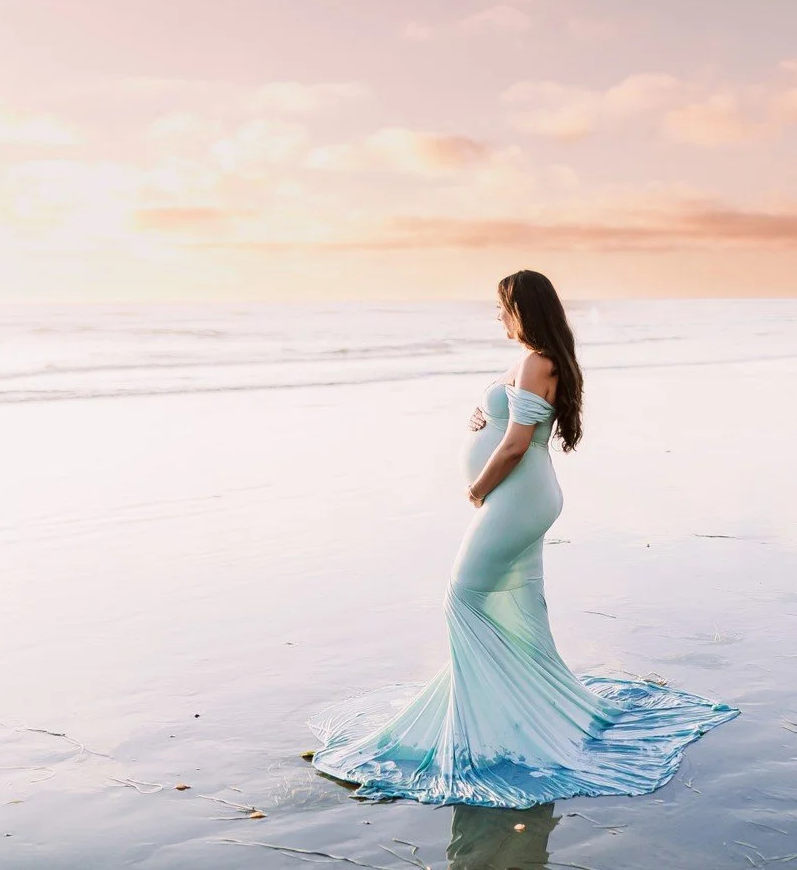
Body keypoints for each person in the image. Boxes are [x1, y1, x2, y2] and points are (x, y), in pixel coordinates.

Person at [305, 270, 738, 808]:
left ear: (523, 308)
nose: (497, 316)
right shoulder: (534, 359)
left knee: (461, 598)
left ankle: (495, 721)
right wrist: (483, 415)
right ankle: (515, 710)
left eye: (502, 306)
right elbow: (510, 420)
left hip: (518, 495)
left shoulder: (537, 361)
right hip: (523, 495)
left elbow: (514, 446)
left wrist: (477, 488)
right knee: (519, 604)